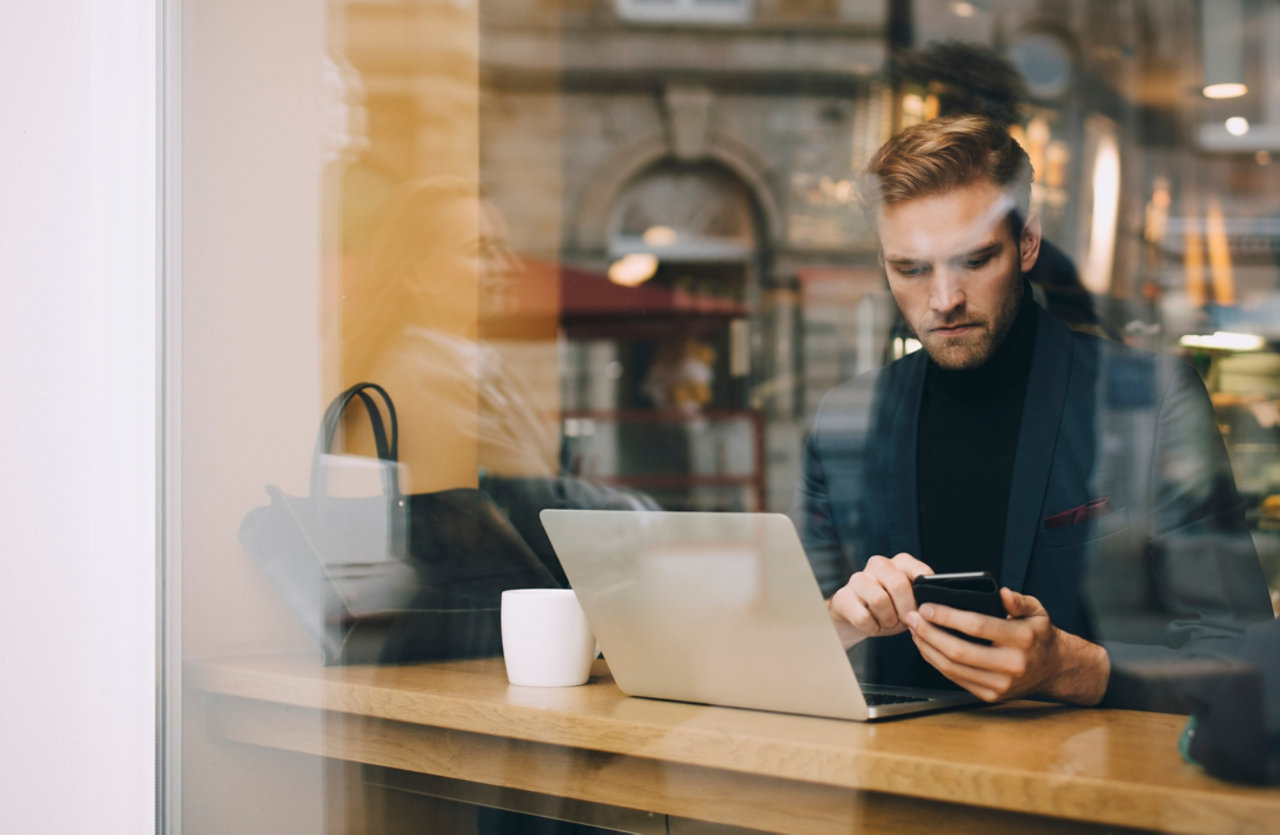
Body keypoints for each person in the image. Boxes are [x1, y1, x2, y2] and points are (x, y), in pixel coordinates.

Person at [793, 115, 1273, 708]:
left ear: (1027, 243)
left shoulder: (1152, 401)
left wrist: (1077, 669)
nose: (944, 300)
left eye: (973, 260)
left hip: (1089, 789)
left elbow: (1245, 656)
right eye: (911, 269)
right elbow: (779, 646)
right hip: (894, 787)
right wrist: (836, 623)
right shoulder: (844, 421)